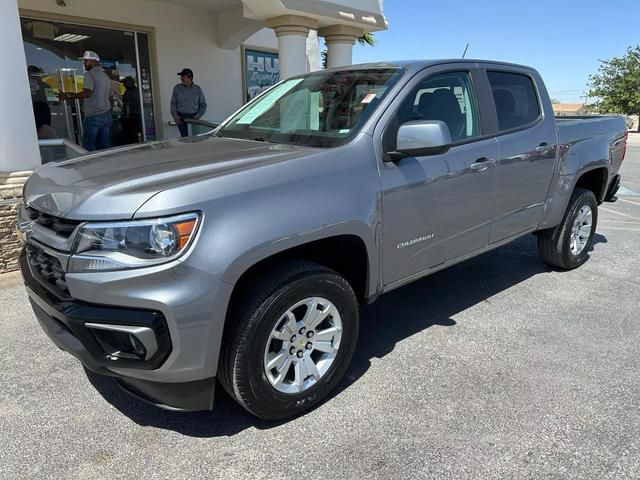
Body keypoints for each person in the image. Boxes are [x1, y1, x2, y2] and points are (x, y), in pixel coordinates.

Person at [57, 51, 113, 151]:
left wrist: (69, 95)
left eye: (86, 61)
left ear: (94, 61)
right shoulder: (106, 76)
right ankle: (108, 164)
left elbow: (88, 93)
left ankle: (92, 166)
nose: (84, 63)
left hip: (93, 114)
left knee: (88, 145)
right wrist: (109, 112)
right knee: (105, 145)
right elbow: (111, 98)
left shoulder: (89, 74)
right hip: (106, 114)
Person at [170, 68, 207, 137]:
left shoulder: (197, 89)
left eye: (183, 77)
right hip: (181, 118)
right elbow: (173, 104)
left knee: (195, 138)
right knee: (185, 138)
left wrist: (197, 116)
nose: (181, 78)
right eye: (181, 76)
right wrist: (175, 116)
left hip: (194, 118)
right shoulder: (177, 88)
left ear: (190, 78)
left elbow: (203, 105)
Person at [121, 76, 141, 144]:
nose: (123, 85)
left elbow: (127, 105)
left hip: (132, 117)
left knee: (131, 137)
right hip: (133, 116)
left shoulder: (131, 92)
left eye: (124, 83)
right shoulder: (136, 91)